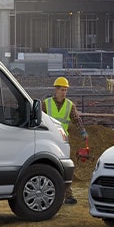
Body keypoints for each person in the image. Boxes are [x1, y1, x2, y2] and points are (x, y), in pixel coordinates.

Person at [44, 76, 87, 205]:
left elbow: (76, 119)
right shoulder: (45, 103)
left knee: (64, 168)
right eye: (62, 89)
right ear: (56, 90)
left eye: (65, 90)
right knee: (48, 168)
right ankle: (49, 195)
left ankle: (68, 196)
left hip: (62, 140)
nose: (64, 92)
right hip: (48, 139)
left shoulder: (70, 105)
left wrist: (83, 132)